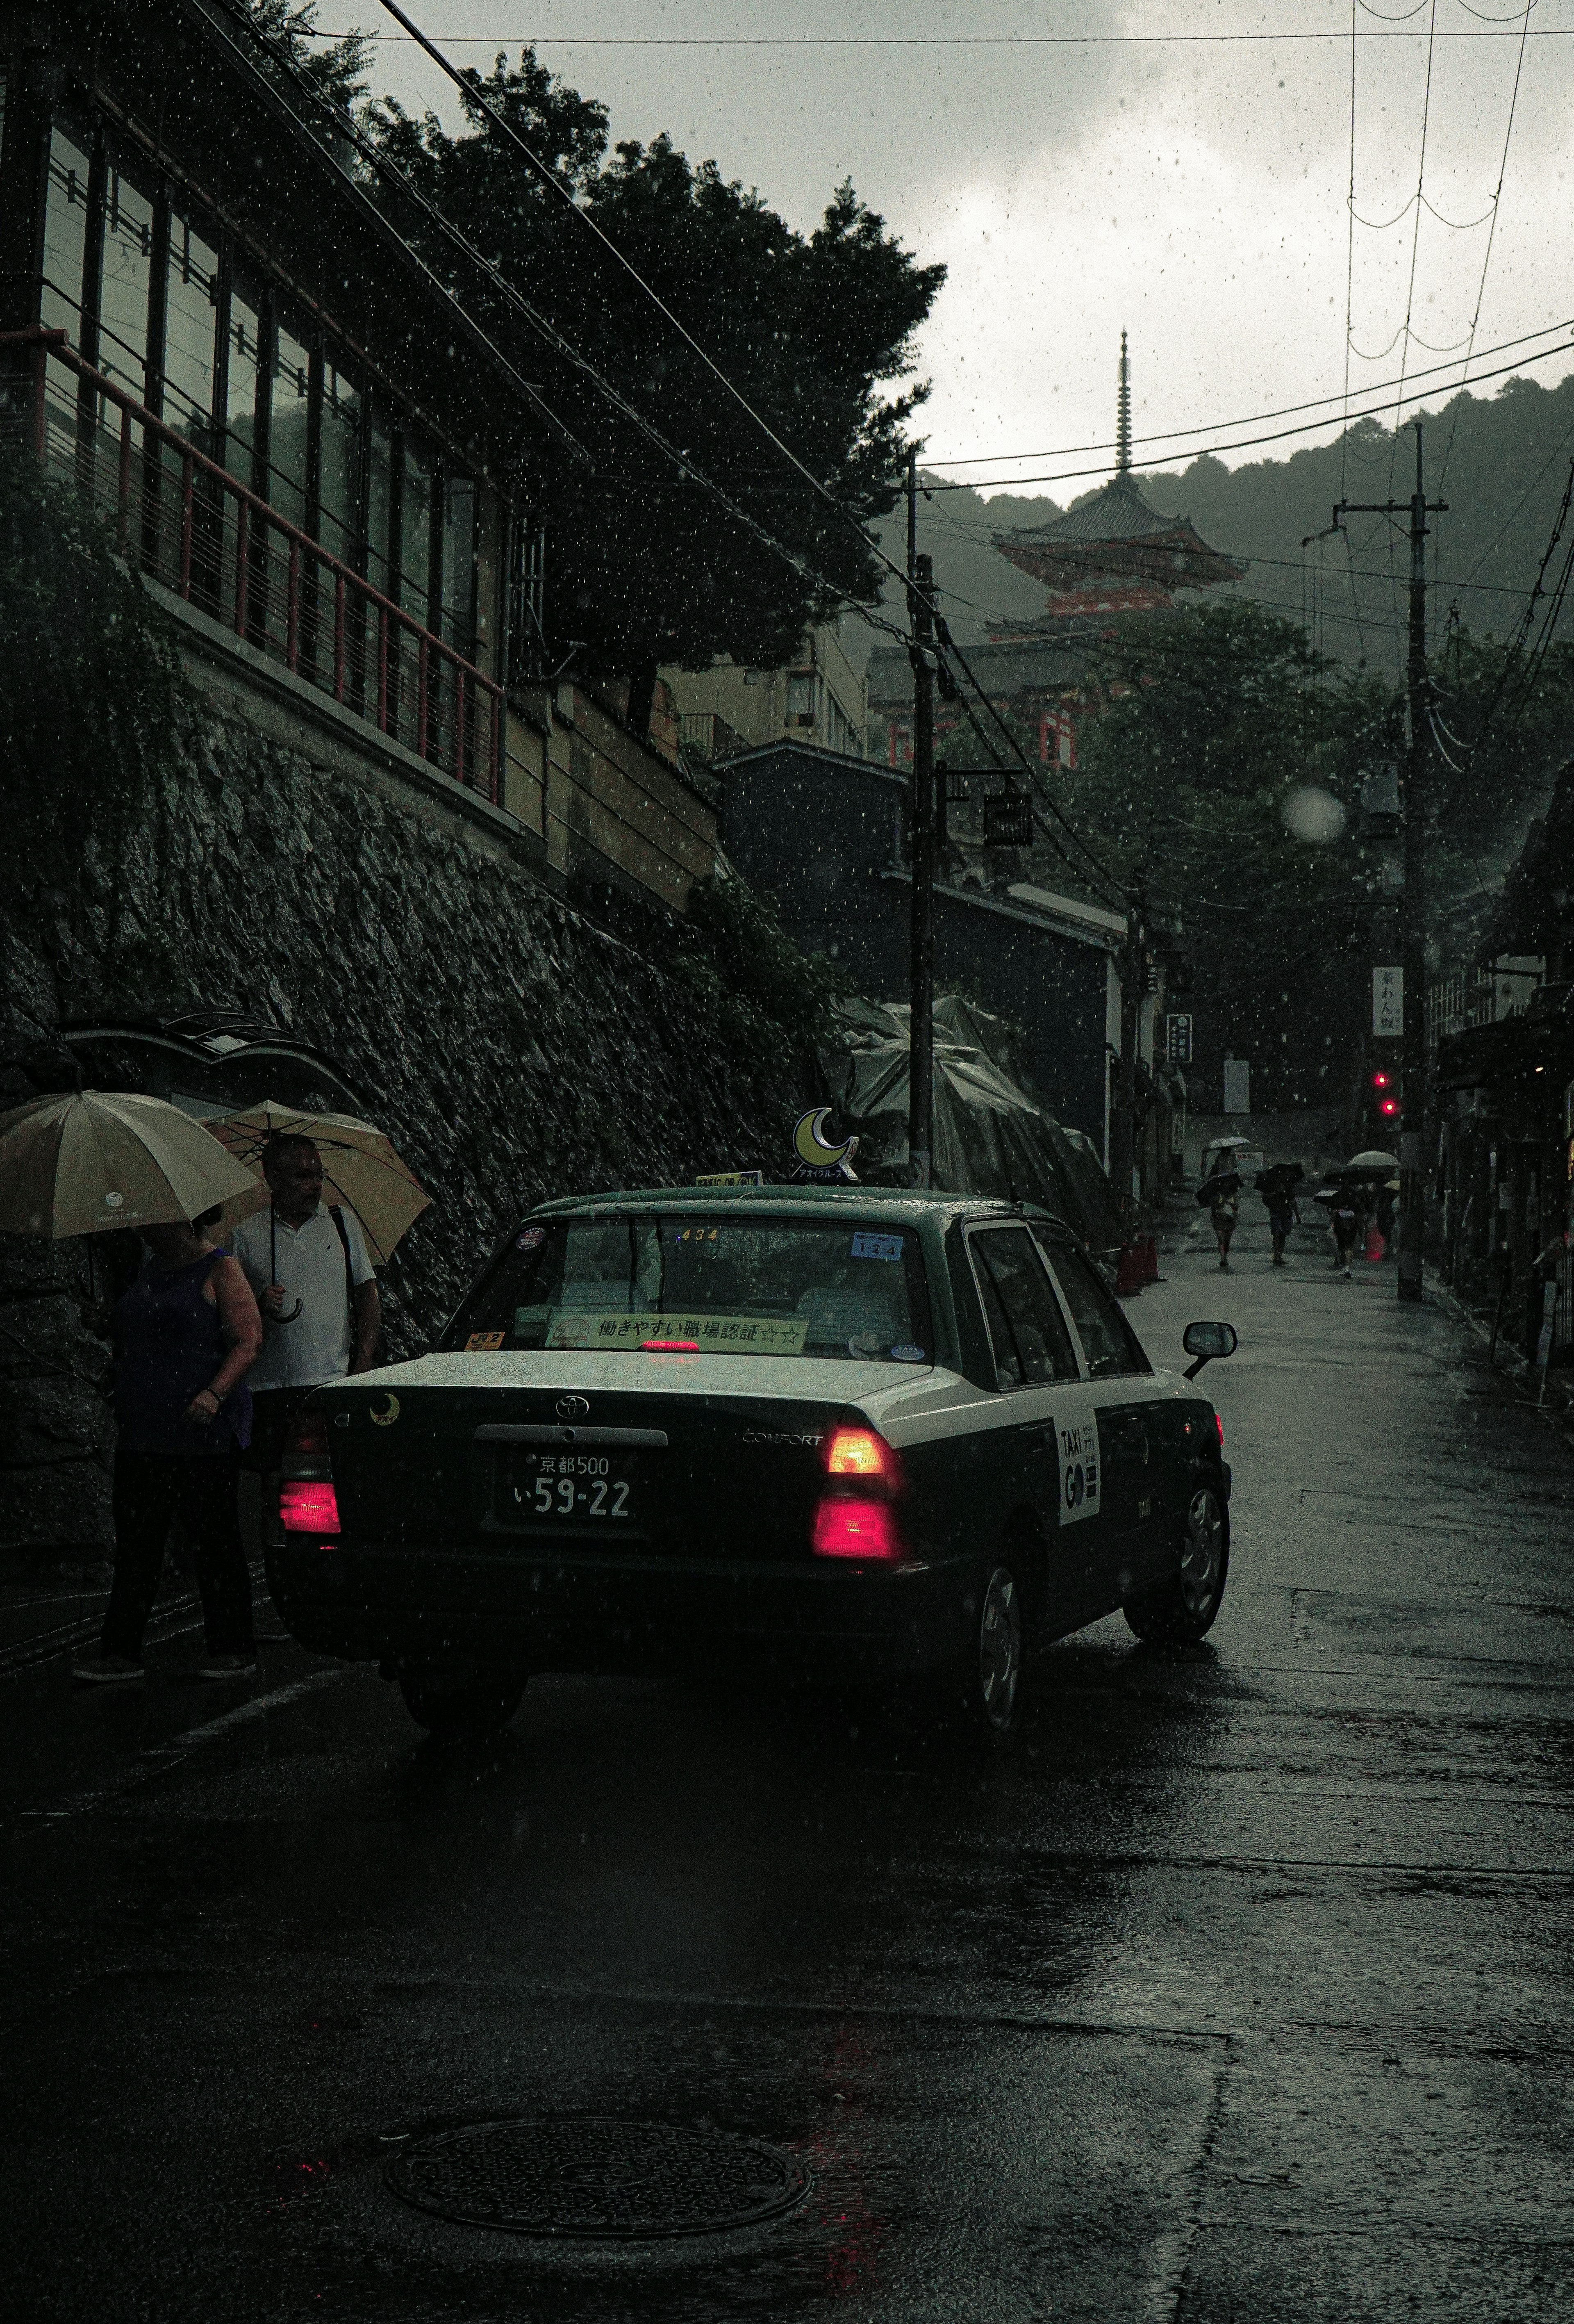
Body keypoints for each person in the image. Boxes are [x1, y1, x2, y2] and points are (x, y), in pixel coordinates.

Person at [73, 1209, 263, 1683]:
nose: (142, 1230)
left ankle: (233, 1645)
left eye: (153, 1221)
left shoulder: (221, 1269)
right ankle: (121, 1651)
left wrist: (215, 1393)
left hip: (201, 1436)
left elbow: (247, 1340)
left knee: (214, 1541)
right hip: (144, 1433)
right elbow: (144, 1331)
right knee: (138, 1544)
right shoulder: (149, 1271)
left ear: (183, 1220)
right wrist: (106, 1321)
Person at [231, 1135, 380, 1542]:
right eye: (302, 1175)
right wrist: (258, 1306)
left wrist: (361, 1366)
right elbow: (229, 1320)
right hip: (267, 1388)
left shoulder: (341, 1222)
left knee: (328, 1496)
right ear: (272, 1177)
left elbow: (368, 1295)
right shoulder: (246, 1237)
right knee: (271, 1493)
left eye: (319, 1174)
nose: (315, 1185)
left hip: (328, 1383)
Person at [1258, 1163, 1303, 1268]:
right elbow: (1265, 1199)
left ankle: (1280, 1255)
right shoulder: (1272, 1185)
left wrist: (1298, 1215)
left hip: (1286, 1212)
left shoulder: (1289, 1186)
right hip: (1276, 1212)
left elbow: (1293, 1200)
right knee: (1277, 1233)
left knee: (1283, 1234)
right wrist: (1277, 1194)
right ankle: (1276, 1256)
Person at [1210, 1171, 1241, 1271]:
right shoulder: (1217, 1194)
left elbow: (1236, 1207)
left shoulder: (1233, 1195)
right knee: (1221, 1239)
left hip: (1230, 1221)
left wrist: (1229, 1203)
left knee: (1227, 1241)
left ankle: (1225, 1256)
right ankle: (1223, 1258)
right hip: (1219, 1220)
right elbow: (1214, 1207)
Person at [1330, 1188, 1361, 1278]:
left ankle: (1345, 1266)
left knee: (1344, 1247)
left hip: (1341, 1226)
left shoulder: (1337, 1197)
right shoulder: (1355, 1199)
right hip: (1351, 1226)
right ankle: (1347, 1267)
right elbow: (1360, 1213)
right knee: (1349, 1247)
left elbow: (1333, 1213)